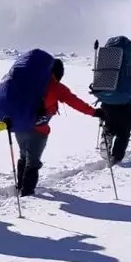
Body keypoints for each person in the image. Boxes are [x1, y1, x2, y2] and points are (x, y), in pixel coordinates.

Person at [17, 59, 99, 196]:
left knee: (24, 156)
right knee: (33, 162)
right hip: (39, 130)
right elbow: (75, 102)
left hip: (20, 126)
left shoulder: (29, 81)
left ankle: (20, 187)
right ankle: (27, 194)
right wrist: (94, 112)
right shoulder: (56, 87)